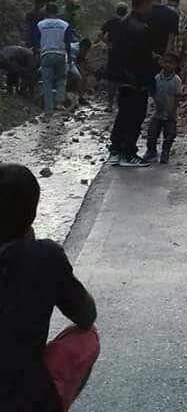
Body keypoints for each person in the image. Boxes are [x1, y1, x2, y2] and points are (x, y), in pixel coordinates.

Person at [0, 163, 99, 412]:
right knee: (87, 337)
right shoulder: (45, 256)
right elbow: (86, 315)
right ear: (32, 213)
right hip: (26, 400)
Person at [108, 0, 155, 167]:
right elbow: (143, 58)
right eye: (150, 3)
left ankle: (116, 150)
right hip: (137, 79)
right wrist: (145, 80)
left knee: (123, 114)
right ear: (144, 3)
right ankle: (128, 152)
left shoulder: (123, 24)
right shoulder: (141, 28)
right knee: (135, 116)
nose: (152, 7)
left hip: (124, 78)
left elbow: (116, 52)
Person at [143, 52, 182, 164]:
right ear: (161, 63)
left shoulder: (177, 80)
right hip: (157, 112)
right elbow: (153, 94)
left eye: (171, 63)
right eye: (165, 62)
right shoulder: (157, 78)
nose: (167, 65)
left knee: (170, 134)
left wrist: (173, 111)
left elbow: (177, 96)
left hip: (170, 112)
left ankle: (165, 153)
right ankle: (151, 151)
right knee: (152, 133)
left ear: (175, 65)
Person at [34, 4, 72, 116]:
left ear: (46, 11)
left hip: (46, 54)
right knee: (61, 79)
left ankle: (48, 109)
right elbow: (68, 42)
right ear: (57, 11)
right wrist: (69, 58)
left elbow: (36, 40)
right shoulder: (64, 25)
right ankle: (59, 103)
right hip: (60, 54)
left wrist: (38, 50)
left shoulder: (40, 24)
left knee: (47, 82)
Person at [145, 0, 179, 68]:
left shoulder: (140, 13)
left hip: (138, 63)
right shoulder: (172, 14)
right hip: (159, 64)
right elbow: (170, 44)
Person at [100, 3, 128, 110]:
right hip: (125, 55)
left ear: (116, 11)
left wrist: (108, 43)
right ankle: (121, 104)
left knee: (111, 80)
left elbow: (100, 34)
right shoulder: (127, 23)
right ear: (126, 12)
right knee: (123, 80)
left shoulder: (110, 22)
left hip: (113, 54)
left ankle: (109, 104)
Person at [166, 0, 187, 66]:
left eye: (174, 6)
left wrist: (185, 53)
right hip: (164, 55)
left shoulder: (183, 18)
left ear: (178, 4)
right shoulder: (163, 16)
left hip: (177, 56)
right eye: (169, 5)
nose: (171, 8)